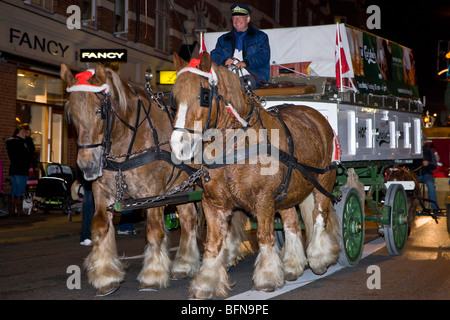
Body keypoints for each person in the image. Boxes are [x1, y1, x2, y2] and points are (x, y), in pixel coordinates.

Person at [210, 4, 270, 89]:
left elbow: (263, 56)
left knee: (239, 86)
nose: (237, 20)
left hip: (253, 76)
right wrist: (224, 61)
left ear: (248, 19)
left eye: (240, 17)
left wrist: (246, 62)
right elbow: (214, 55)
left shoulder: (260, 37)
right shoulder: (223, 39)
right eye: (234, 18)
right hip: (228, 76)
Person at [5, 124, 34, 217]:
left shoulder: (13, 142)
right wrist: (28, 139)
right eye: (23, 132)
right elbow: (27, 153)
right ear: (18, 133)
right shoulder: (19, 143)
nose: (25, 134)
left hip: (15, 169)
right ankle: (18, 211)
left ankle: (12, 211)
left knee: (14, 189)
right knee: (19, 190)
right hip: (20, 169)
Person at [415, 140, 439, 211]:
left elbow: (434, 165)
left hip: (427, 173)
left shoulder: (429, 151)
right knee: (409, 186)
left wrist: (428, 163)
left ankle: (434, 208)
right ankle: (412, 207)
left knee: (431, 185)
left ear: (424, 141)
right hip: (415, 174)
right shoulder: (413, 151)